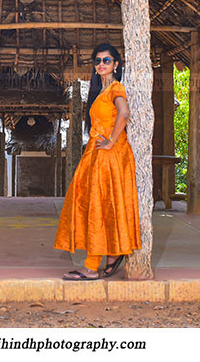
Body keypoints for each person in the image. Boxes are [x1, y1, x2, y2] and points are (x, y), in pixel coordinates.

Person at [54, 43, 140, 280]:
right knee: (101, 204)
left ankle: (92, 266)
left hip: (109, 155)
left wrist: (111, 141)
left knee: (98, 206)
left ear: (116, 64)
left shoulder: (116, 88)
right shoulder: (100, 91)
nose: (101, 64)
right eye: (98, 61)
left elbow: (124, 113)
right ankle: (111, 255)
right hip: (98, 153)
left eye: (107, 60)